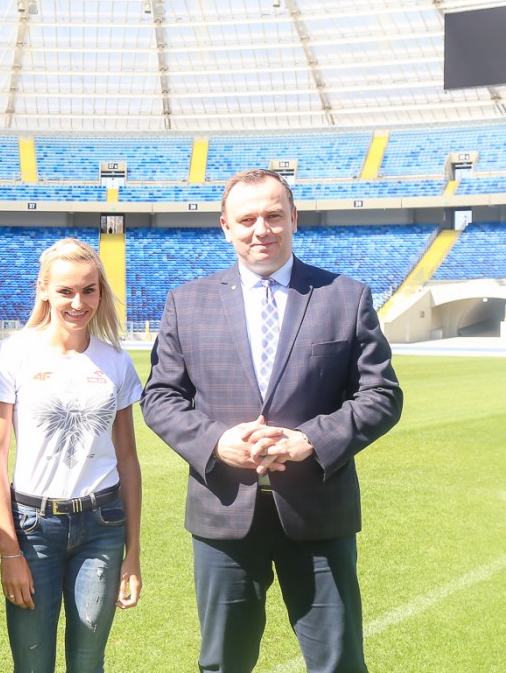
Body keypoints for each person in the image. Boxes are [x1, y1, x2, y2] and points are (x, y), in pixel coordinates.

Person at [141, 169, 403, 673]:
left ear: (293, 219)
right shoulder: (187, 302)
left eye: (273, 216)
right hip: (223, 512)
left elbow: (382, 395)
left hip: (318, 513)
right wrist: (218, 442)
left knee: (338, 662)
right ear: (225, 226)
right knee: (223, 663)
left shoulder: (344, 297)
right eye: (246, 219)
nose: (260, 229)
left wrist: (310, 439)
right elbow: (160, 398)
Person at [0, 237, 143, 673]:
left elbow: (127, 459)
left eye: (89, 290)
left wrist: (133, 552)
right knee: (32, 666)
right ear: (45, 290)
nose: (78, 302)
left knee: (89, 663)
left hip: (103, 526)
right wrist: (9, 552)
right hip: (33, 529)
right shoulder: (11, 354)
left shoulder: (116, 361)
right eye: (66, 290)